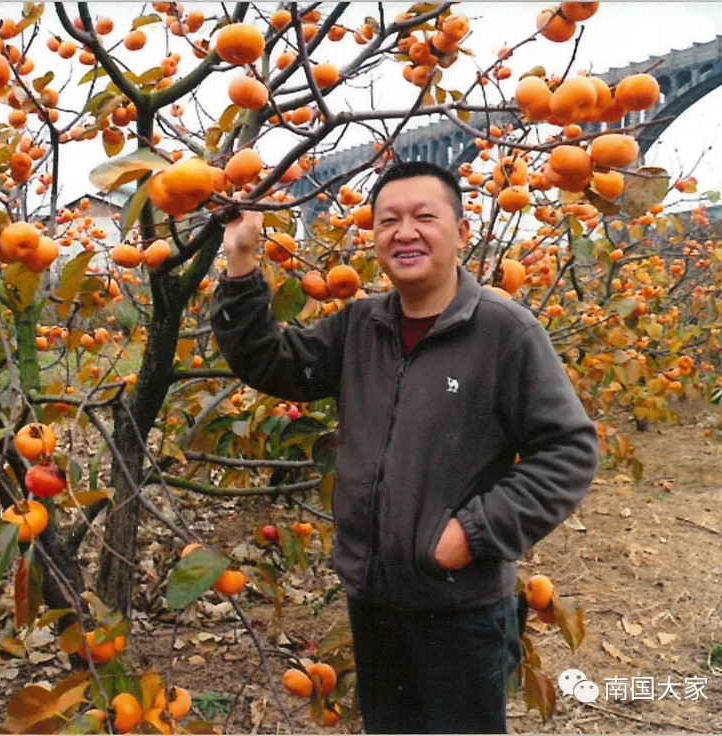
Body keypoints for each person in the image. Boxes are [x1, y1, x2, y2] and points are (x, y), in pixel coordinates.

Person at [211, 160, 598, 734]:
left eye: (424, 216)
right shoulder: (359, 326)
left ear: (462, 233)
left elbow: (569, 449)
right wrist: (241, 261)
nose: (405, 231)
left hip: (459, 607)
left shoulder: (503, 332)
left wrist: (474, 532)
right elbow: (271, 361)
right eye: (388, 220)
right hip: (372, 596)